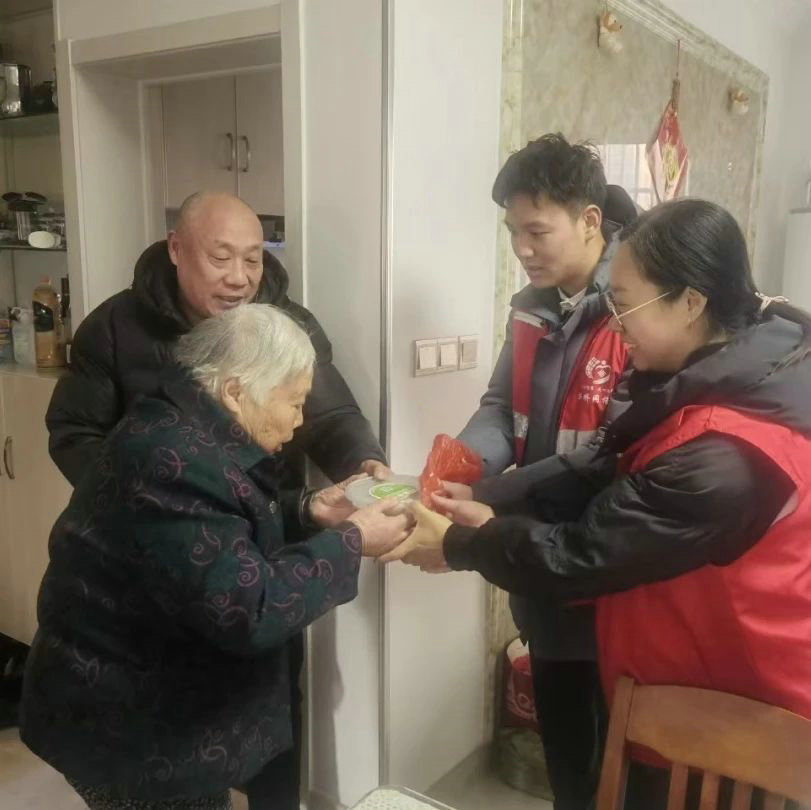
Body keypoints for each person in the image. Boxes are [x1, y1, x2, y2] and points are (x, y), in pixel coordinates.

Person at [388, 199, 811, 809]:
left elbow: (583, 554)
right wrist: (488, 504)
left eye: (625, 305)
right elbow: (606, 468)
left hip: (740, 716)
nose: (614, 324)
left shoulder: (726, 456)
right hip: (685, 688)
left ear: (691, 303)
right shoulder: (712, 380)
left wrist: (461, 544)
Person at [21, 304, 411, 810]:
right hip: (131, 731)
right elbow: (250, 609)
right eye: (294, 403)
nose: (299, 422)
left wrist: (310, 507)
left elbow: (218, 526)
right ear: (234, 391)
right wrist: (355, 538)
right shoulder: (174, 461)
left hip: (140, 705)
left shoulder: (182, 426)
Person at [450, 134, 636, 810]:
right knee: (567, 758)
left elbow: (608, 453)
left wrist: (486, 496)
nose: (522, 249)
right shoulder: (530, 307)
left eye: (536, 231)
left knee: (620, 762)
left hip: (609, 566)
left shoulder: (637, 305)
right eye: (512, 232)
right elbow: (503, 406)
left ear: (589, 220)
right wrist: (462, 463)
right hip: (539, 559)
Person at [46, 191, 389, 490]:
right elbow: (76, 433)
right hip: (157, 528)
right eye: (221, 259)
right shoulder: (112, 328)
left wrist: (363, 463)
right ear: (176, 249)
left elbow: (330, 416)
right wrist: (142, 499)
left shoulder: (291, 329)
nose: (239, 278)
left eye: (252, 260)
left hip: (273, 520)